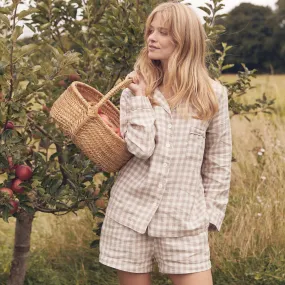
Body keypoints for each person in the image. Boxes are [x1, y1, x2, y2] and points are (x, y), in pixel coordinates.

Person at [99, 1, 232, 285]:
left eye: (162, 32)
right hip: (130, 215)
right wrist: (140, 99)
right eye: (151, 30)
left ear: (183, 40)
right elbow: (140, 148)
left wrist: (209, 215)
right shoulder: (134, 90)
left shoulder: (213, 94)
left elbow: (218, 161)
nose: (151, 38)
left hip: (184, 219)